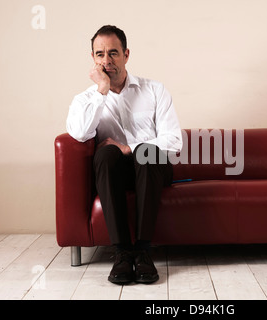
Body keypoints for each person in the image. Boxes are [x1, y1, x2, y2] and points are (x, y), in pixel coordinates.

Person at [66, 25, 183, 285]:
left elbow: (174, 140)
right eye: (99, 54)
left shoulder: (154, 90)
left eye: (113, 53)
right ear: (93, 59)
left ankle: (142, 250)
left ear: (126, 55)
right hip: (115, 174)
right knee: (106, 154)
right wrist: (102, 91)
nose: (106, 61)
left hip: (153, 169)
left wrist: (130, 148)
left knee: (145, 152)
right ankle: (121, 253)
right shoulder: (86, 99)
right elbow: (80, 134)